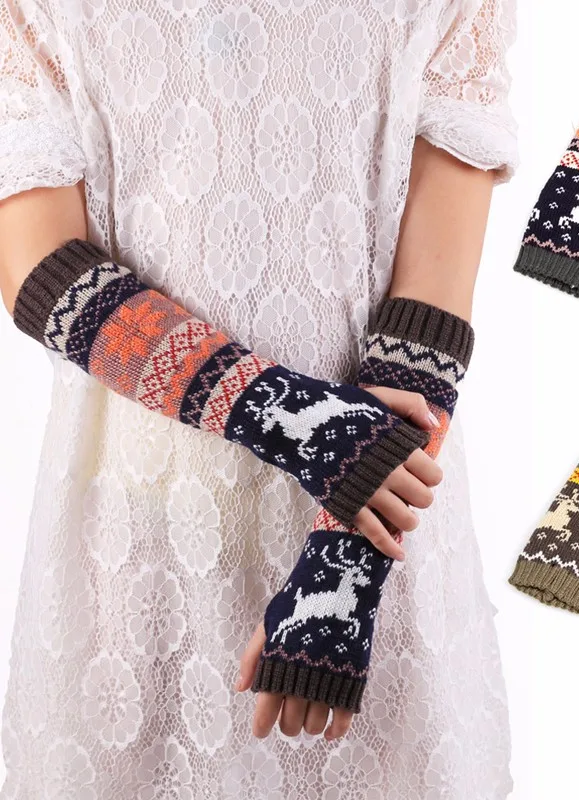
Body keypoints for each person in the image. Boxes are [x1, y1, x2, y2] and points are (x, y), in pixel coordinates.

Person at [0, 0, 518, 796]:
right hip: (141, 543)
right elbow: (40, 272)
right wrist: (315, 428)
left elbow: (433, 293)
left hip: (383, 525)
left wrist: (346, 565)